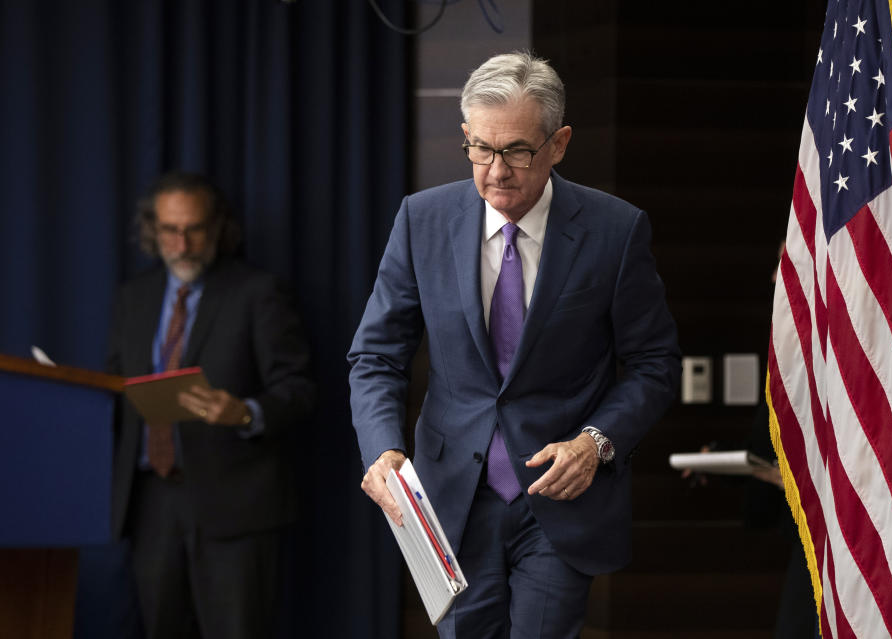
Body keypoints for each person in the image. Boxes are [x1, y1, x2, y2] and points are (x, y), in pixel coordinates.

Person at [348, 52, 681, 637]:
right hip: (450, 499)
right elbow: (376, 355)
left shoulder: (615, 230)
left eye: (518, 151)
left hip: (557, 498)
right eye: (481, 148)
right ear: (466, 137)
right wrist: (381, 449)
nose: (496, 170)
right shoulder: (421, 220)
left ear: (559, 143)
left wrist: (596, 442)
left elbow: (653, 364)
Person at [107, 171, 316, 639]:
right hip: (151, 502)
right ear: (152, 231)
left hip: (236, 506)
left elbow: (299, 391)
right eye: (169, 230)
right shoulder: (133, 298)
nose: (181, 244)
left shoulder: (258, 293)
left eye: (194, 229)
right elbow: (116, 389)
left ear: (217, 228)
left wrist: (244, 413)